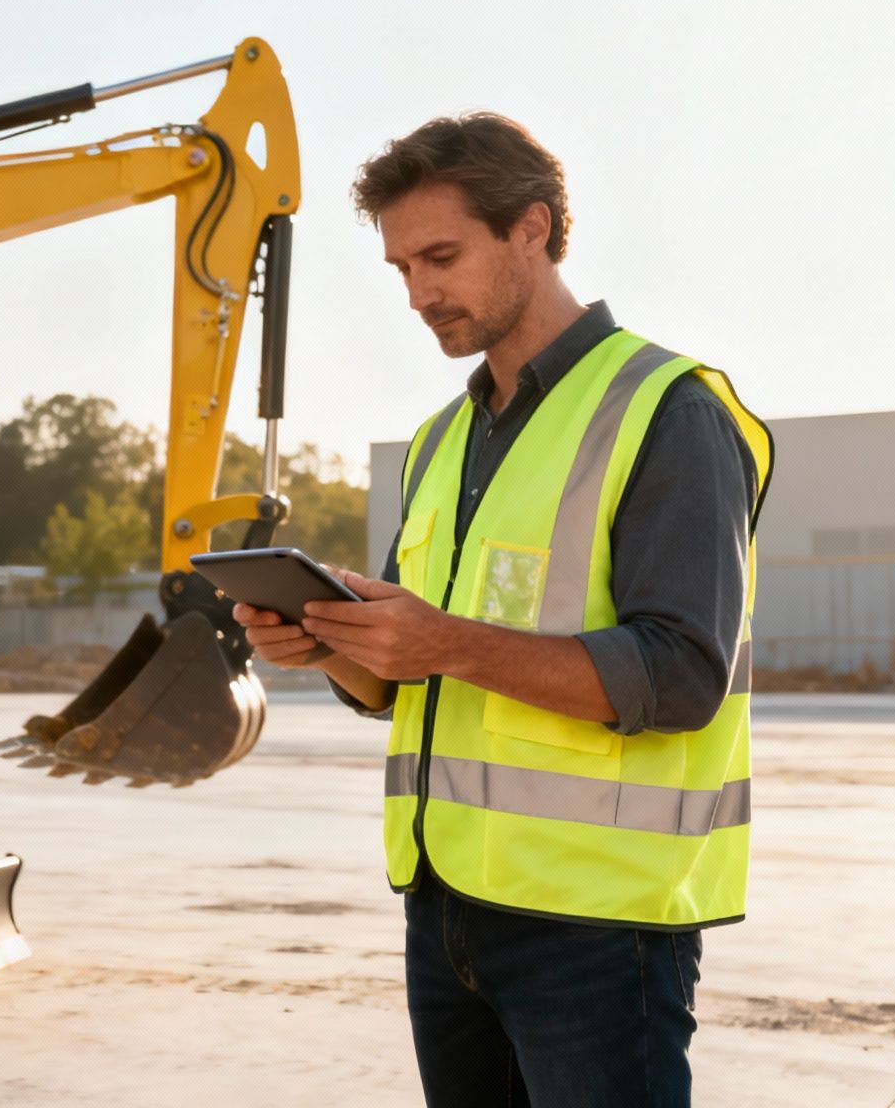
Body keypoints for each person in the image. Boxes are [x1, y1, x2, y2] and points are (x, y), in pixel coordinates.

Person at [232, 113, 771, 1107]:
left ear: (532, 228)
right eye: (399, 269)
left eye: (440, 256)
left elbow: (679, 675)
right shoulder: (440, 442)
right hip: (445, 909)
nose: (418, 292)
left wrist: (441, 639)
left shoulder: (667, 410)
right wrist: (331, 648)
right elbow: (409, 681)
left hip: (597, 930)